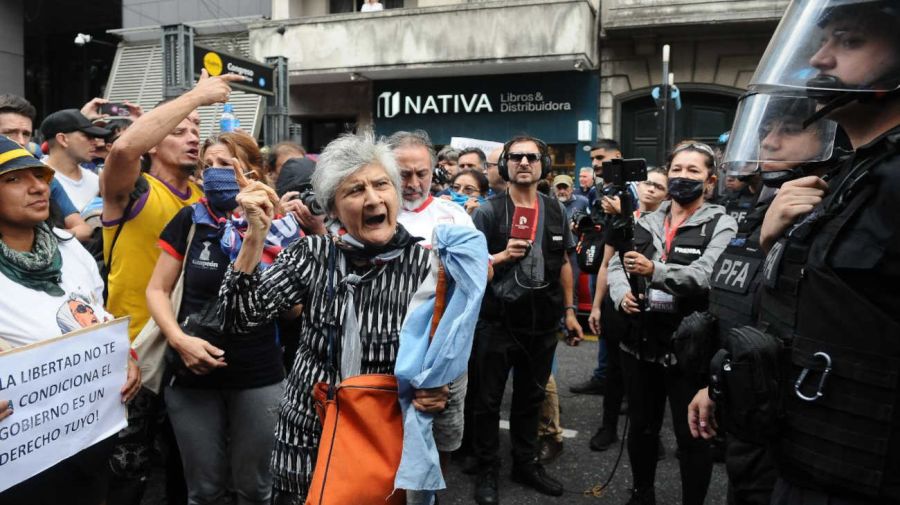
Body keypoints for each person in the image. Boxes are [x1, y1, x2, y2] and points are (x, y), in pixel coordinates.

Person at [720, 2, 900, 504]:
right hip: (805, 462)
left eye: (849, 41)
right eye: (822, 41)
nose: (819, 59)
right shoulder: (849, 174)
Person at [216, 131, 457, 504]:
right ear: (333, 208)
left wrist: (439, 389)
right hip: (311, 433)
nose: (373, 198)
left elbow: (447, 351)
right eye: (355, 190)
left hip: (390, 433)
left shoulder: (428, 266)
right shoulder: (312, 255)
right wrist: (255, 235)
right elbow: (237, 320)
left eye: (381, 185)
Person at [687, 94, 841, 505]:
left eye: (788, 129)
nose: (768, 142)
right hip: (748, 405)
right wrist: (716, 384)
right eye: (765, 131)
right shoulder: (761, 210)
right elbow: (740, 308)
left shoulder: (837, 214)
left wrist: (779, 244)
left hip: (800, 423)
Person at [99, 69, 243, 504]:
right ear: (156, 140)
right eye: (178, 130)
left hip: (191, 355)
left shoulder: (205, 199)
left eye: (197, 129)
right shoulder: (132, 190)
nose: (192, 135)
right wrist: (197, 96)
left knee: (187, 473)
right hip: (133, 359)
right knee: (128, 474)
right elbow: (125, 146)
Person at [146, 132, 294, 505]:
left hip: (257, 373)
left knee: (256, 490)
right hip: (191, 373)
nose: (214, 174)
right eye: (207, 166)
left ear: (254, 172)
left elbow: (294, 308)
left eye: (225, 166)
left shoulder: (283, 229)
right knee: (204, 492)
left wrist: (260, 235)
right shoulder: (190, 221)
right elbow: (157, 291)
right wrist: (179, 340)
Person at [0, 135, 141, 504]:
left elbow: (98, 315)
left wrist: (124, 358)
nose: (37, 187)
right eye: (13, 179)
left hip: (87, 446)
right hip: (19, 465)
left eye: (40, 177)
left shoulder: (69, 247)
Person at [607, 142, 737, 505]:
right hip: (639, 343)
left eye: (693, 171)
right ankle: (642, 494)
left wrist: (656, 271)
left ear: (709, 180)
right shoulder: (646, 219)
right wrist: (621, 295)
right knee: (642, 428)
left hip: (689, 349)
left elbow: (708, 274)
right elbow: (619, 263)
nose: (682, 176)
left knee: (692, 435)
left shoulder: (720, 223)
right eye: (677, 169)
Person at [470, 135, 583, 504]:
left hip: (543, 324)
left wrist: (570, 311)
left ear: (543, 166)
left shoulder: (556, 211)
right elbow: (469, 269)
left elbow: (565, 262)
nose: (523, 163)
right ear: (504, 165)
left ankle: (525, 463)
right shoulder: (487, 211)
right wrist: (502, 256)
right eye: (515, 157)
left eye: (531, 157)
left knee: (530, 399)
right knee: (487, 401)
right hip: (497, 323)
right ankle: (487, 468)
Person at [388, 129, 478, 505]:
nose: (413, 183)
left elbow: (478, 282)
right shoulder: (374, 212)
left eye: (421, 173)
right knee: (389, 441)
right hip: (387, 353)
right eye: (403, 174)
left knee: (439, 441)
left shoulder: (452, 215)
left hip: (441, 357)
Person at [587, 167, 669, 453]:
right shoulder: (622, 221)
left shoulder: (671, 226)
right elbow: (605, 266)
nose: (651, 189)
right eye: (648, 183)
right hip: (617, 308)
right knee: (614, 373)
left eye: (659, 186)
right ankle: (607, 427)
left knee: (648, 379)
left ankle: (649, 434)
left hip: (654, 313)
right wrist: (596, 307)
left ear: (666, 194)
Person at [0, 94, 92, 241]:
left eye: (26, 134)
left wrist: (43, 243)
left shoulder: (43, 178)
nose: (21, 141)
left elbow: (83, 229)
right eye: (9, 133)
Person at [40, 109, 111, 212]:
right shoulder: (36, 179)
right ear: (62, 139)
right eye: (88, 136)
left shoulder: (96, 180)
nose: (96, 142)